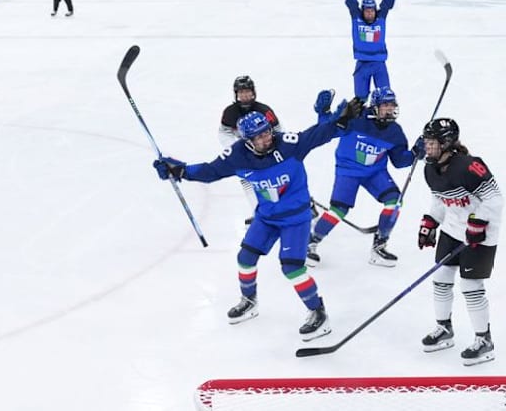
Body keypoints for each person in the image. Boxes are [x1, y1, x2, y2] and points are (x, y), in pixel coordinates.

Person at [152, 95, 364, 341]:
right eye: (259, 137)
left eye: (267, 133)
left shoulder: (289, 144)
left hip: (296, 218)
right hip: (266, 217)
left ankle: (318, 313)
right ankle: (249, 301)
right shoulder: (237, 155)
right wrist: (179, 170)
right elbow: (210, 172)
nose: (266, 139)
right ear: (247, 140)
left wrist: (342, 121)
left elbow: (319, 133)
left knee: (292, 268)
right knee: (245, 258)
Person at [417, 117, 504, 366]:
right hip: (453, 231)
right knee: (441, 278)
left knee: (470, 286)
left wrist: (479, 222)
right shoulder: (429, 169)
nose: (427, 147)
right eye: (426, 142)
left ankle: (484, 340)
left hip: (481, 236)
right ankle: (444, 329)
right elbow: (440, 200)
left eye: (432, 143)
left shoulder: (470, 166)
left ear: (446, 143)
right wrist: (431, 221)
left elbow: (495, 200)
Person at [308, 87, 417, 267]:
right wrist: (323, 112)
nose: (389, 109)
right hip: (348, 170)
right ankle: (311, 242)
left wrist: (415, 152)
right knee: (338, 211)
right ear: (374, 106)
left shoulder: (395, 131)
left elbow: (399, 161)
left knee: (394, 202)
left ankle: (379, 247)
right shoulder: (356, 117)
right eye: (385, 105)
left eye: (392, 105)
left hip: (375, 172)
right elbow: (326, 129)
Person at [219, 76, 283, 226]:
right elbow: (223, 132)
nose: (245, 96)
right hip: (246, 155)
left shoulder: (264, 110)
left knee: (279, 179)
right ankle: (258, 211)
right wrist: (235, 148)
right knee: (247, 181)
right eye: (241, 93)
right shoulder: (230, 112)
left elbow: (278, 130)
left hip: (266, 150)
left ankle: (304, 204)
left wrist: (272, 147)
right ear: (236, 94)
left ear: (253, 92)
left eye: (247, 92)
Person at [345, 0, 398, 100]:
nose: (369, 13)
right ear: (362, 11)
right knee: (359, 99)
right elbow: (350, 3)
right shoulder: (356, 18)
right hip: (362, 62)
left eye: (372, 10)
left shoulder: (381, 18)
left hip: (379, 63)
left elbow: (388, 3)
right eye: (367, 11)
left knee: (386, 96)